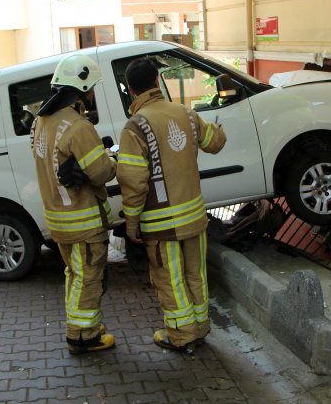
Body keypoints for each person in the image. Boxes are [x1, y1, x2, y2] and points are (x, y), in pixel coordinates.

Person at [116, 57, 226, 353]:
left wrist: (131, 223)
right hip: (194, 217)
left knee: (170, 280)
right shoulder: (186, 114)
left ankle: (181, 336)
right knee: (195, 275)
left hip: (161, 225)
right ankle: (200, 328)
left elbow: (134, 182)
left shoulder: (135, 127)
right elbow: (213, 143)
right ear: (156, 82)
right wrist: (219, 130)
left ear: (131, 90)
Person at [30, 54, 117, 355]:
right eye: (91, 87)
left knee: (74, 276)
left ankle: (82, 325)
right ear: (81, 88)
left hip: (57, 220)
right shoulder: (79, 127)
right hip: (83, 221)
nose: (93, 94)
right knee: (88, 278)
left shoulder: (41, 122)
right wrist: (112, 158)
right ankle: (83, 337)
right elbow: (102, 172)